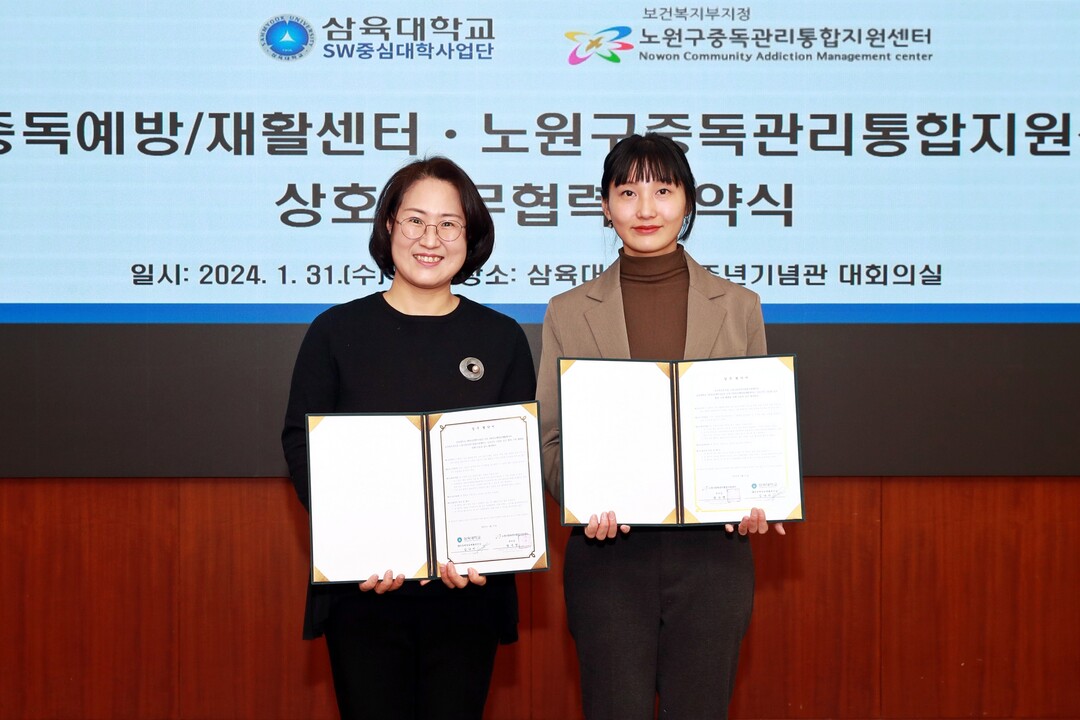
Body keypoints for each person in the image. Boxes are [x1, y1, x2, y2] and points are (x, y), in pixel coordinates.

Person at [536, 133, 785, 720]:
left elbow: (756, 430)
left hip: (714, 556)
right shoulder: (568, 311)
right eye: (627, 192)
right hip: (607, 556)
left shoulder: (739, 306)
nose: (645, 209)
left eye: (663, 191)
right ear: (605, 206)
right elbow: (550, 438)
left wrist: (759, 493)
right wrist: (582, 496)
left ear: (688, 201)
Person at [281, 157, 536, 720]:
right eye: (415, 220)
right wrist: (357, 540)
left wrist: (486, 550)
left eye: (449, 224)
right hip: (363, 590)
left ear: (471, 236)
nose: (430, 239)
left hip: (469, 591)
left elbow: (512, 466)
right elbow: (302, 445)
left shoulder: (501, 339)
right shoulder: (335, 332)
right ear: (389, 225)